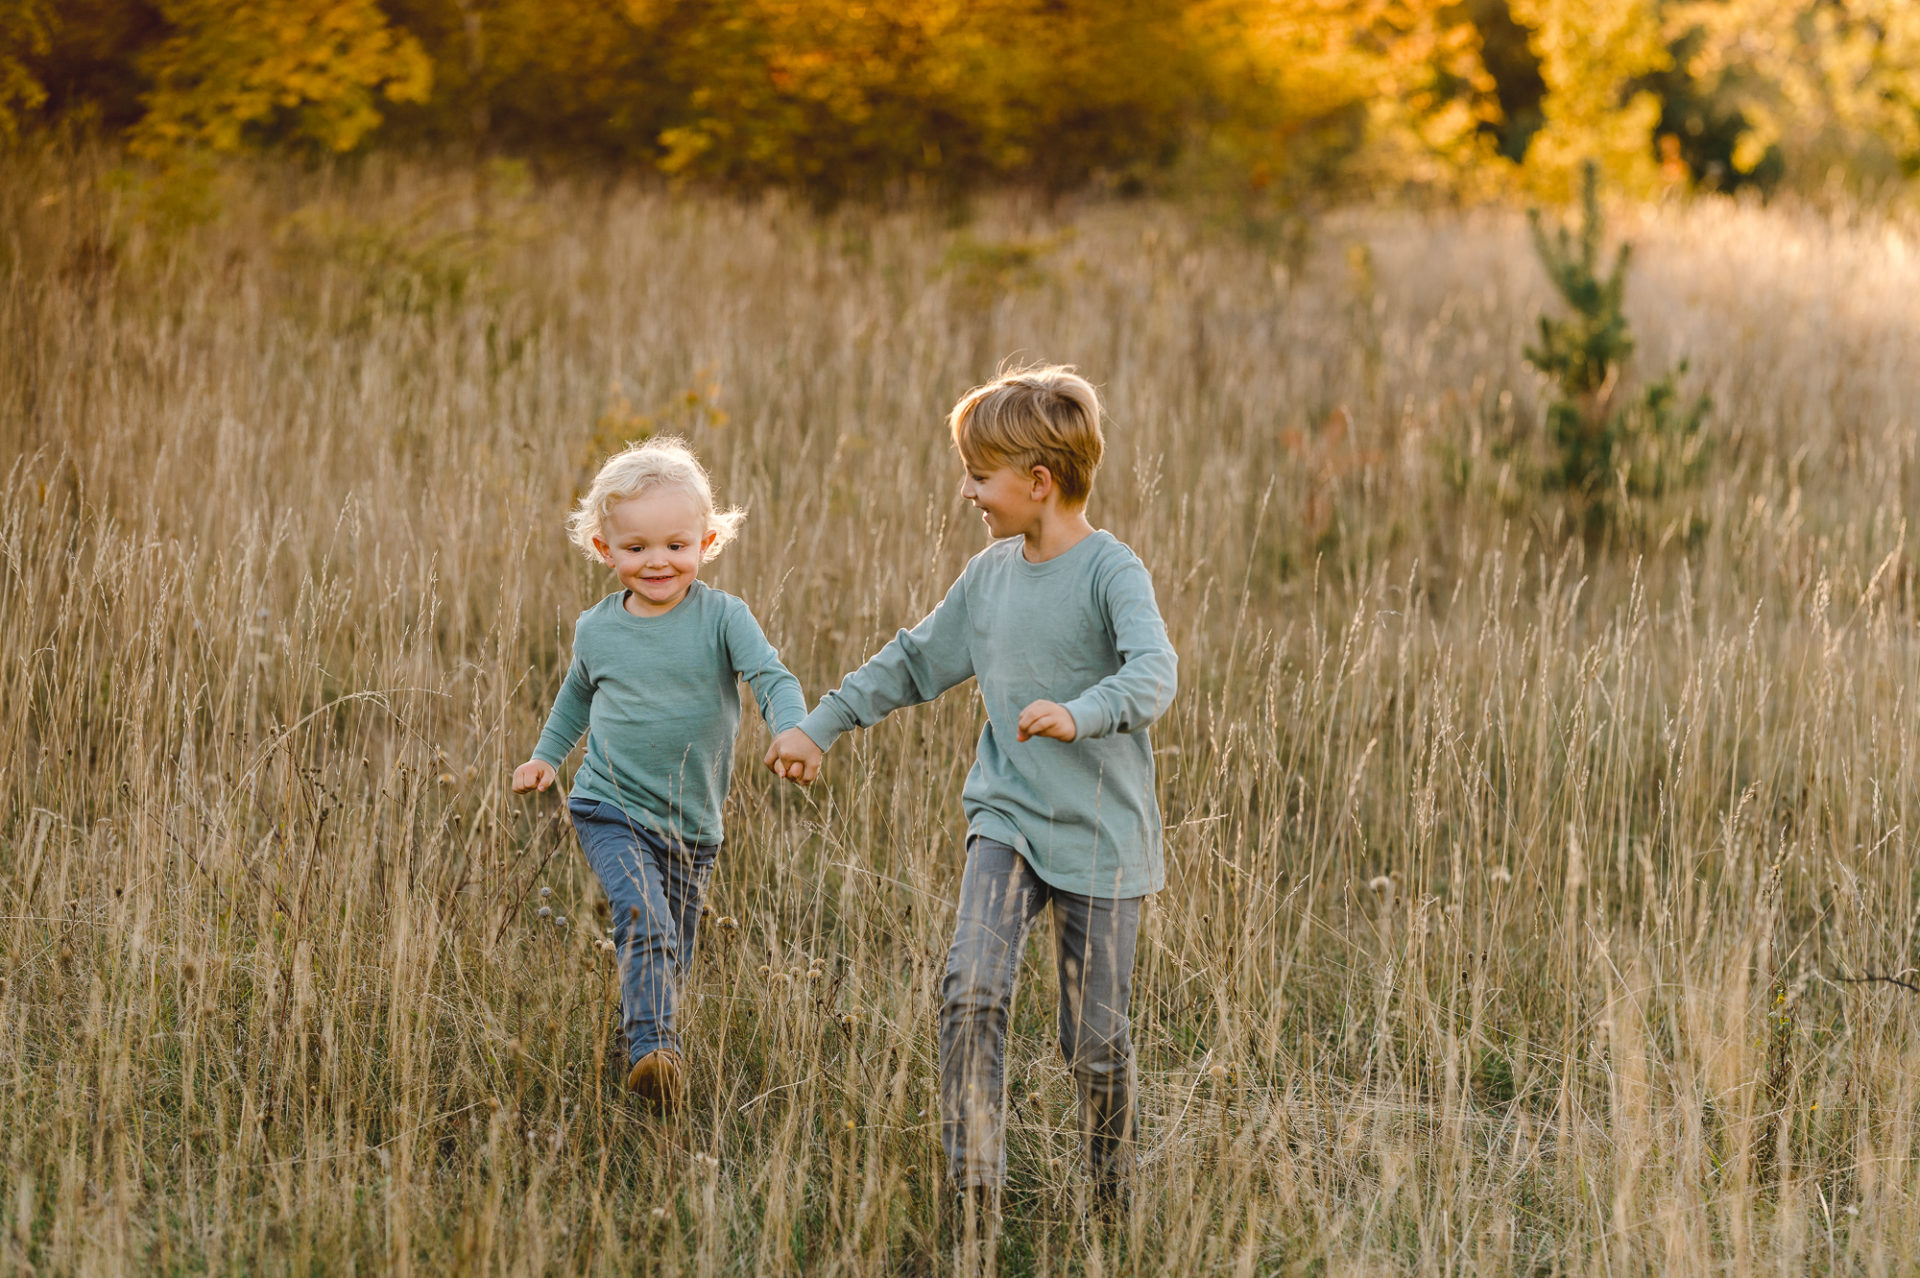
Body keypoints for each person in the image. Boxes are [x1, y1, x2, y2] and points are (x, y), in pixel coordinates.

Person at [765, 365, 1177, 1215]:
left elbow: (1154, 674)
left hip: (1102, 833)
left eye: (979, 476)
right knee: (972, 988)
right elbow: (917, 661)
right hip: (1009, 819)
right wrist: (821, 723)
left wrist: (1079, 711)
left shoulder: (1112, 571)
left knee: (1093, 1041)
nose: (967, 493)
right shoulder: (988, 576)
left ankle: (1110, 1195)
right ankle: (974, 1190)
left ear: (1038, 482)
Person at [513, 437, 805, 1111]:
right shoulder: (598, 629)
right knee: (645, 918)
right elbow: (574, 700)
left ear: (706, 540)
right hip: (607, 807)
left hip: (693, 825)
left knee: (672, 949)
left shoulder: (722, 618)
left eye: (676, 545)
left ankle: (645, 1045)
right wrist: (545, 758)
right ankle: (653, 1055)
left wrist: (791, 726)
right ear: (604, 550)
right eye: (636, 548)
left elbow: (771, 675)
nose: (657, 562)